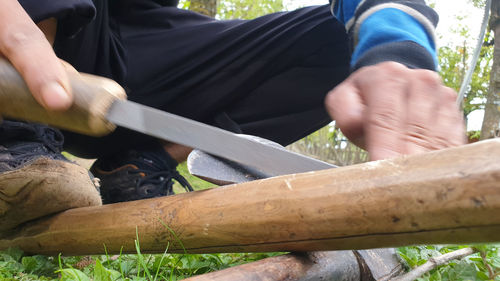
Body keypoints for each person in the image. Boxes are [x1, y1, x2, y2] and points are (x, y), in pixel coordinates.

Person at [0, 0, 465, 231]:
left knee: (337, 36)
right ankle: (16, 144)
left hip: (140, 49)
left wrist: (394, 48)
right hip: (29, 38)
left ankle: (141, 161)